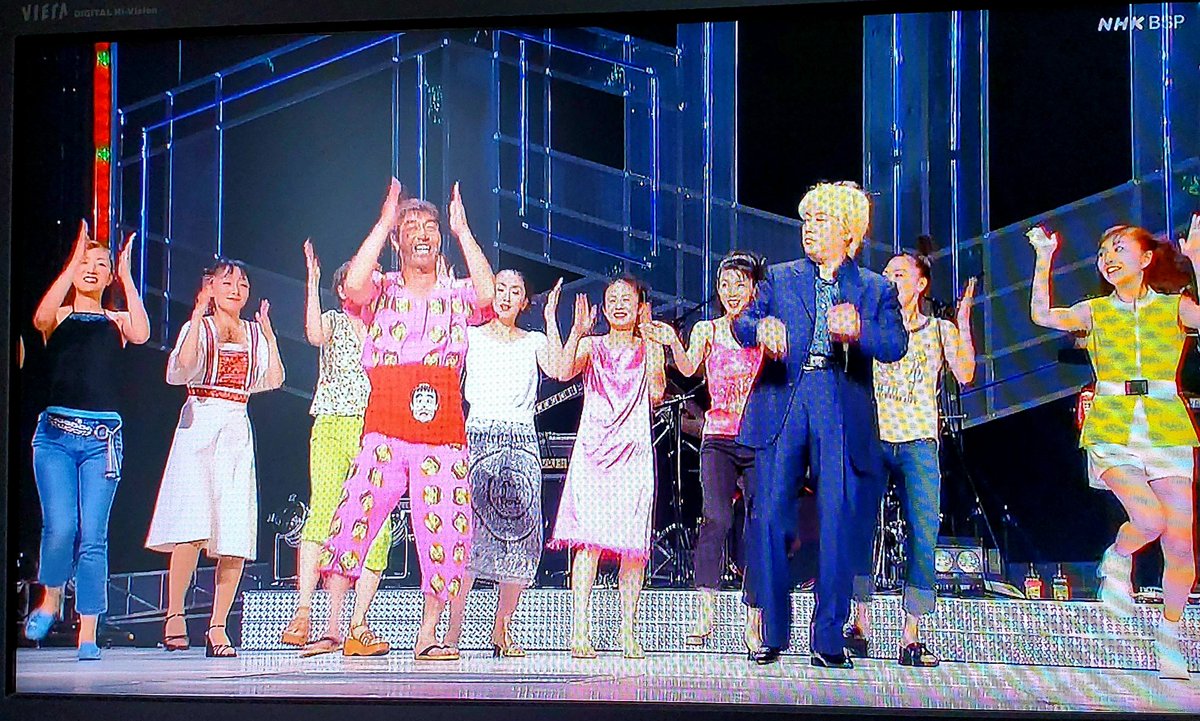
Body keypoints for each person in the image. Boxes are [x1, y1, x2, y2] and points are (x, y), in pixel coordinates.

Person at [309, 179, 494, 661]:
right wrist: (384, 221)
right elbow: (352, 284)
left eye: (429, 226)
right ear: (397, 240)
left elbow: (489, 293)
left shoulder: (455, 293)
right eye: (411, 226)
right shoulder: (383, 288)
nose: (422, 233)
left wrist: (463, 231)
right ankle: (333, 628)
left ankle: (428, 634)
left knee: (445, 531)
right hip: (386, 425)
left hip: (441, 429)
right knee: (354, 516)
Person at [734, 181, 907, 667]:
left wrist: (861, 330)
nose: (809, 229)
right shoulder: (779, 277)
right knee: (769, 516)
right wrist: (760, 328)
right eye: (806, 220)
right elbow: (743, 323)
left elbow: (895, 344)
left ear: (848, 232)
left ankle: (828, 639)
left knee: (836, 519)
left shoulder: (874, 287)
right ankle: (772, 633)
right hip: (783, 398)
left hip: (838, 398)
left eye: (821, 220)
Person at [1028, 216, 1200, 680]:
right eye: (1103, 253)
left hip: (1166, 424)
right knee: (1149, 518)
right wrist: (1044, 259)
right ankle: (1118, 557)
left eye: (1119, 249)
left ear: (1145, 259)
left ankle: (1170, 638)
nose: (1108, 258)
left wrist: (1197, 261)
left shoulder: (1175, 307)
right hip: (1111, 424)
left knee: (1180, 542)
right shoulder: (1095, 311)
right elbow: (1043, 315)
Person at [146, 258, 286, 658]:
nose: (236, 289)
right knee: (191, 525)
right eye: (227, 282)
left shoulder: (254, 333)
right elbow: (181, 370)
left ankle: (218, 626)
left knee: (235, 530)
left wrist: (270, 335)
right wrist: (195, 314)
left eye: (242, 283)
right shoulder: (200, 328)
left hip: (235, 428)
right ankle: (175, 615)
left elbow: (274, 379)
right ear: (210, 287)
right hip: (198, 424)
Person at [24, 221, 150, 661]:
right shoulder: (59, 317)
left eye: (101, 264)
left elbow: (142, 333)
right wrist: (72, 262)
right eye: (86, 263)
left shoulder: (116, 320)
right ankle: (51, 599)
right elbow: (39, 318)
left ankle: (89, 631)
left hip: (102, 441)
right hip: (55, 438)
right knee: (61, 527)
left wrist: (127, 277)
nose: (93, 269)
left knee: (93, 535)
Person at [845, 248, 977, 668]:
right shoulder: (872, 328)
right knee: (859, 528)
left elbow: (966, 374)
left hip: (918, 441)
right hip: (874, 438)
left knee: (923, 531)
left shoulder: (939, 330)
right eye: (886, 274)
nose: (890, 280)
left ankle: (912, 635)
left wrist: (964, 319)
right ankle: (859, 624)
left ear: (920, 284)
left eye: (899, 274)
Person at [442, 271, 568, 657]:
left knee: (521, 537)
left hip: (521, 441)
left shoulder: (534, 341)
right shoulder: (471, 335)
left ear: (524, 301)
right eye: (500, 289)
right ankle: (451, 631)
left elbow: (559, 369)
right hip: (478, 435)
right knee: (467, 537)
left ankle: (502, 629)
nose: (506, 296)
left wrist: (552, 318)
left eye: (515, 291)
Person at [548, 277, 673, 659]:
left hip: (633, 455)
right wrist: (574, 330)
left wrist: (651, 338)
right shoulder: (592, 346)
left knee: (633, 548)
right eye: (612, 299)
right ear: (603, 309)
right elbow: (561, 371)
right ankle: (580, 631)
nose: (619, 305)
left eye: (626, 299)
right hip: (593, 454)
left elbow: (656, 392)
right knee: (588, 544)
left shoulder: (648, 348)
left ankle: (628, 632)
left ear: (639, 307)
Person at [280, 242, 393, 653]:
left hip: (377, 431)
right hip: (331, 423)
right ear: (343, 289)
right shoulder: (333, 320)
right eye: (356, 280)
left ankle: (357, 624)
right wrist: (311, 282)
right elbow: (313, 334)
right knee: (325, 512)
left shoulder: (387, 328)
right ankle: (305, 612)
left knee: (376, 523)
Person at [672, 251, 767, 656]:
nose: (731, 291)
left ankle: (754, 622)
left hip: (758, 440)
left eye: (740, 284)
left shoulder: (765, 329)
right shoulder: (707, 329)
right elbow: (688, 368)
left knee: (759, 524)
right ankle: (705, 614)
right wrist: (671, 342)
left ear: (754, 289)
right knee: (716, 518)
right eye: (725, 284)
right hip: (718, 437)